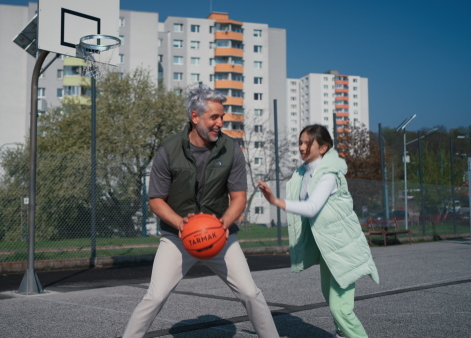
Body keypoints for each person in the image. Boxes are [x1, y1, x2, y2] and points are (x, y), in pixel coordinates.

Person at [122, 85, 280, 338]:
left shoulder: (231, 150)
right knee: (155, 296)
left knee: (251, 293)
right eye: (214, 117)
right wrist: (179, 222)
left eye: (222, 117)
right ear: (195, 117)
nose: (220, 122)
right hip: (177, 237)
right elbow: (156, 200)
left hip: (220, 235)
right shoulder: (169, 150)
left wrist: (222, 225)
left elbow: (238, 199)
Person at [257, 124, 379, 338]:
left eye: (307, 143)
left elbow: (312, 206)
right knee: (330, 296)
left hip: (343, 246)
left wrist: (276, 201)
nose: (301, 147)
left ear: (323, 148)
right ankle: (342, 335)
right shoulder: (302, 173)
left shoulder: (328, 174)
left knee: (340, 308)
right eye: (300, 142)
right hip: (327, 247)